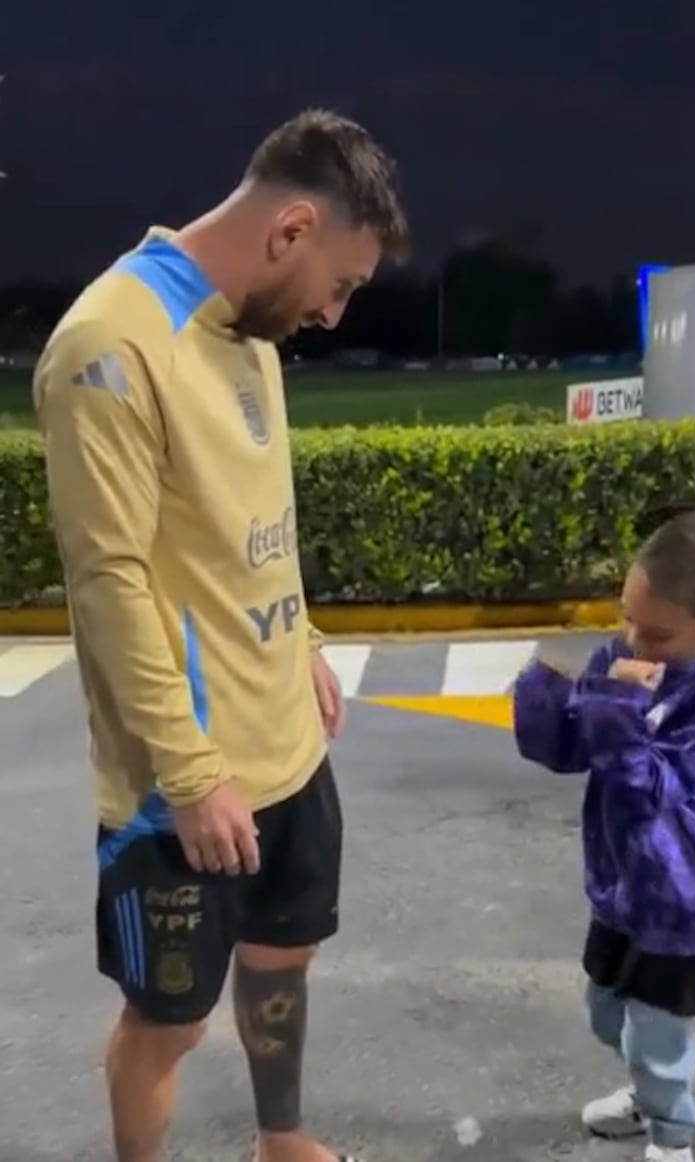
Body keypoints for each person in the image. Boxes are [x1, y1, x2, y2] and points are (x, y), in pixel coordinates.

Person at [33, 108, 408, 1162]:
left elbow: (247, 524)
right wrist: (191, 773)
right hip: (185, 786)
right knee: (171, 1022)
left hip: (288, 750)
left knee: (283, 958)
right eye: (338, 285)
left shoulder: (249, 332)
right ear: (289, 229)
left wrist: (304, 639)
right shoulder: (108, 347)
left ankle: (277, 1138)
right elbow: (108, 585)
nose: (333, 315)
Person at [513, 510, 695, 1162]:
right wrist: (543, 694)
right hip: (623, 884)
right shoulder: (622, 655)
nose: (634, 643)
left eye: (658, 635)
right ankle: (648, 1093)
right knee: (606, 1012)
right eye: (626, 619)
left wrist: (613, 707)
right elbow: (570, 749)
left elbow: (650, 786)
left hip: (688, 890)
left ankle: (671, 1139)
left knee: (654, 1033)